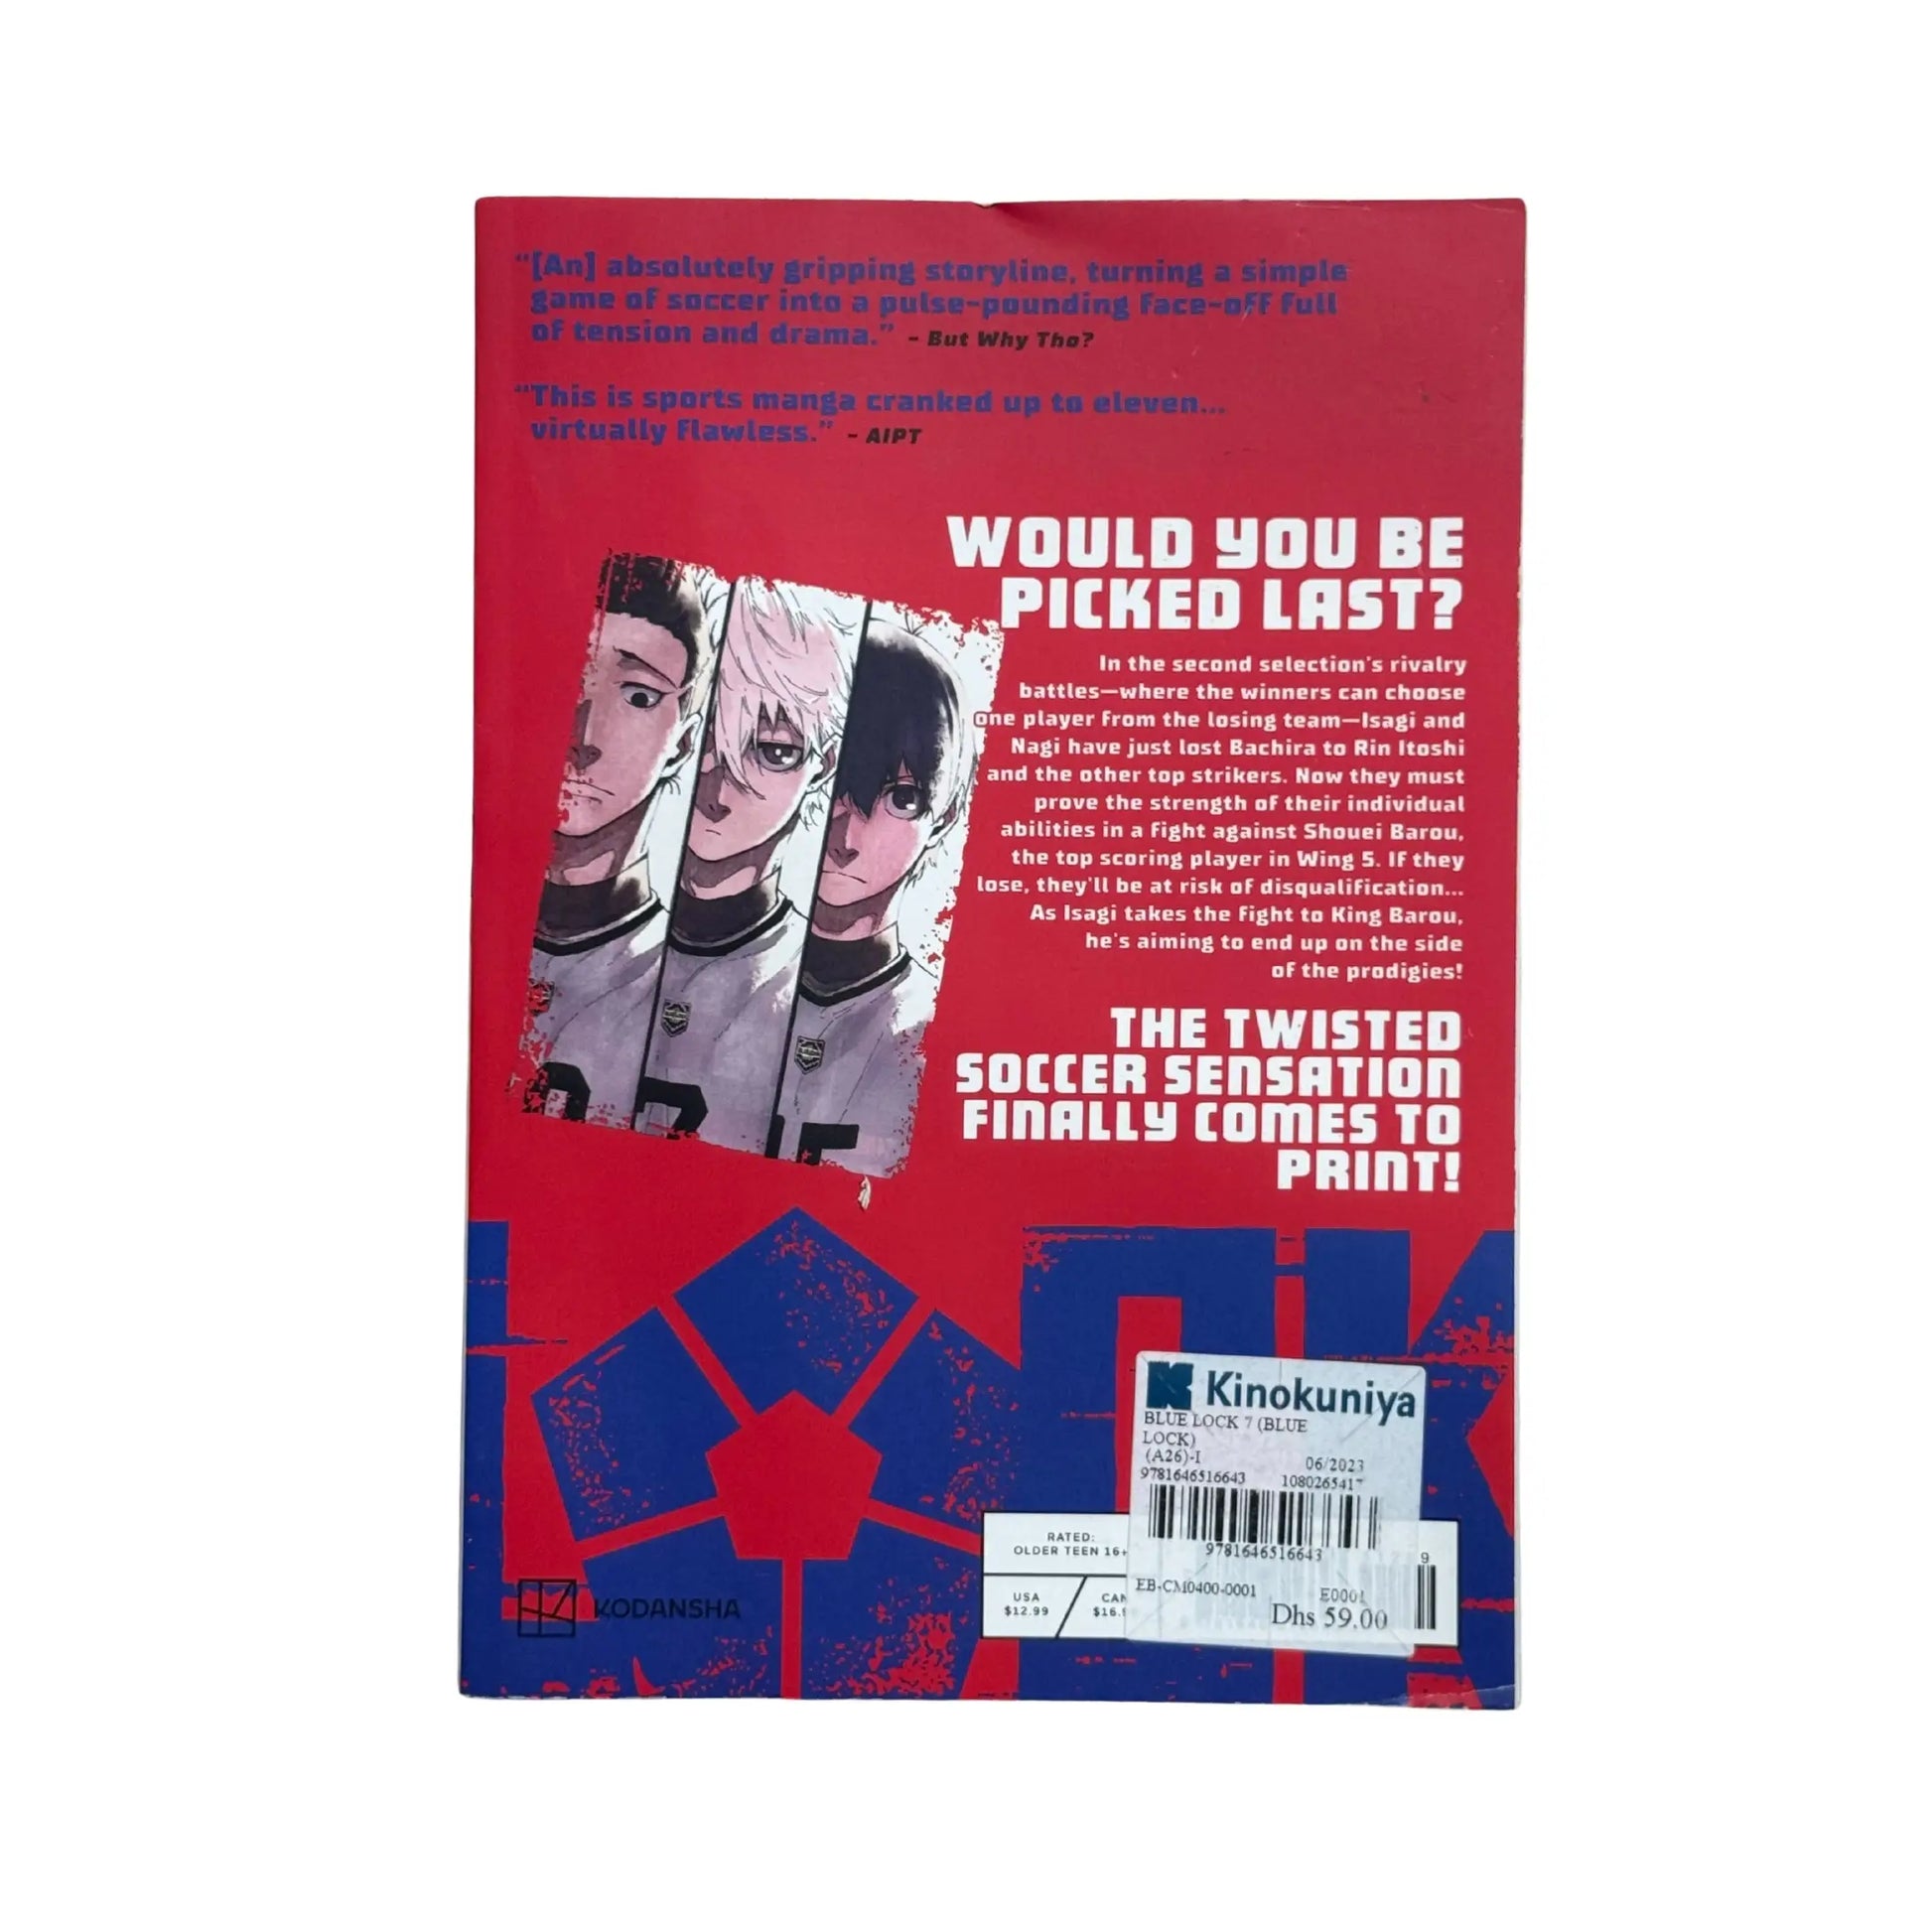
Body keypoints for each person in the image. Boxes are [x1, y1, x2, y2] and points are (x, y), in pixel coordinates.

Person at [634, 578, 861, 1152]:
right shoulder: (609, 944)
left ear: (822, 764)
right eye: (711, 735)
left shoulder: (820, 992)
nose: (721, 782)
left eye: (772, 751)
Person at [769, 619, 973, 1174]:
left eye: (901, 799)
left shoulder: (932, 1035)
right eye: (837, 783)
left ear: (944, 816)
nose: (848, 833)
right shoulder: (717, 978)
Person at [523, 554, 719, 1128]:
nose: (584, 735)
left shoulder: (699, 986)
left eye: (638, 696)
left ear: (685, 740)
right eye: (562, 676)